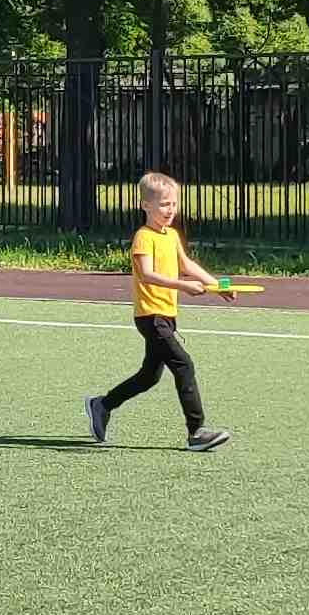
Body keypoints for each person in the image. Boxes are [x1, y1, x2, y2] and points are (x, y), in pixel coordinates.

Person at [83, 171, 235, 451]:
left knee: (148, 377)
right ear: (146, 206)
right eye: (164, 204)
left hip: (167, 315)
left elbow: (187, 265)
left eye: (173, 204)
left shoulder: (171, 235)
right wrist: (183, 285)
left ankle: (102, 405)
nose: (170, 210)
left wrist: (218, 286)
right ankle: (196, 432)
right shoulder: (143, 237)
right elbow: (147, 274)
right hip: (150, 317)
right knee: (184, 365)